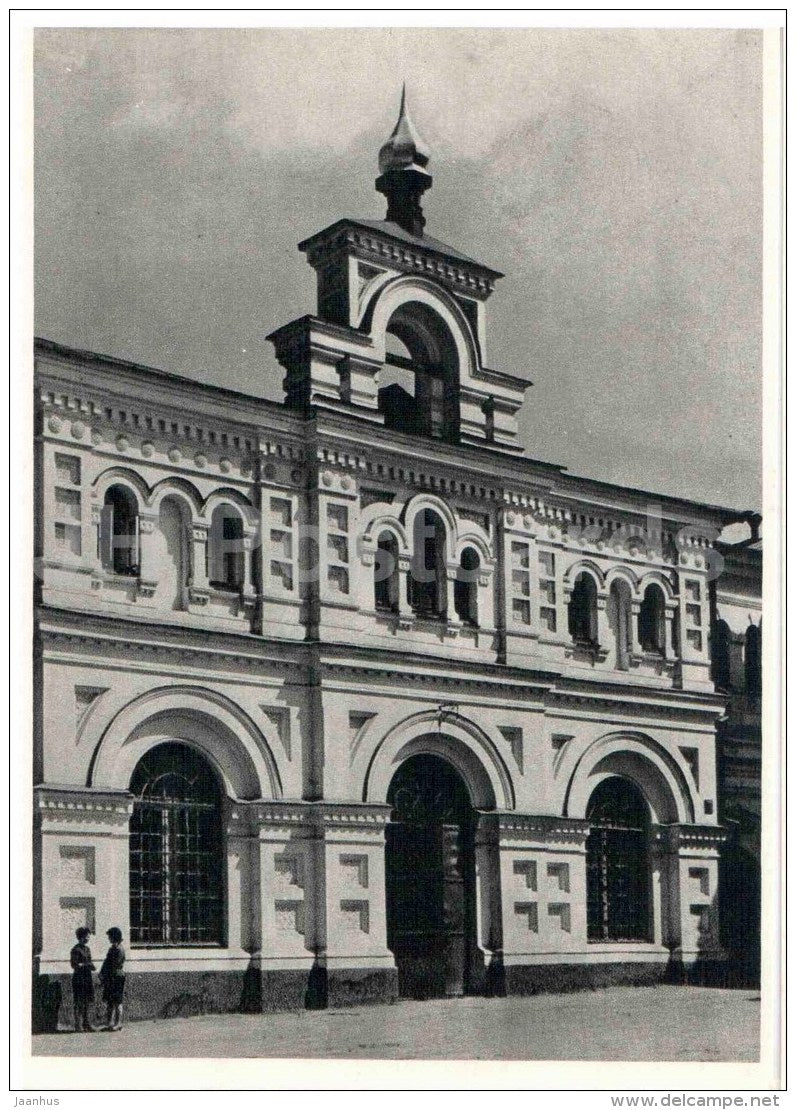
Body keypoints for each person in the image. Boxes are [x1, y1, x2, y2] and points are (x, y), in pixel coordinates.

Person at [69, 927, 96, 1032]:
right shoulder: (75, 950)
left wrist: (90, 965)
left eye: (89, 936)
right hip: (79, 978)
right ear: (81, 937)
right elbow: (74, 965)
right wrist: (87, 964)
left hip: (87, 977)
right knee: (79, 1001)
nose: (88, 938)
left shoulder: (87, 949)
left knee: (87, 1002)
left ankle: (86, 1024)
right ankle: (78, 1025)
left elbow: (88, 961)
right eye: (87, 936)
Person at [99, 926, 126, 1031]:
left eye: (109, 936)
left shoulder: (119, 949)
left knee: (117, 1001)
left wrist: (105, 973)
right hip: (111, 977)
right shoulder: (112, 948)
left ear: (114, 937)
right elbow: (107, 962)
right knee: (110, 1001)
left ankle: (118, 1023)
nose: (108, 938)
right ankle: (109, 1023)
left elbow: (114, 964)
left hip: (117, 976)